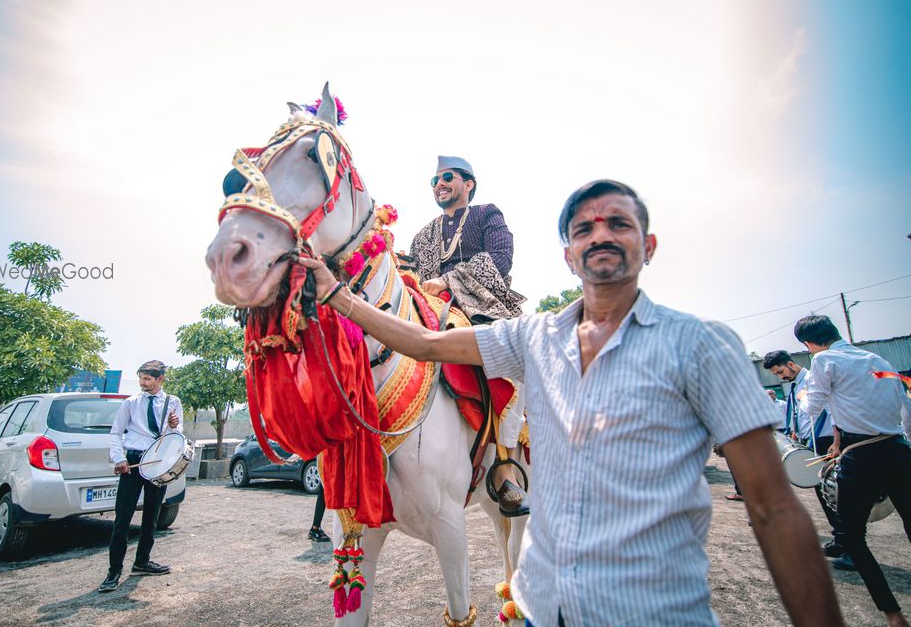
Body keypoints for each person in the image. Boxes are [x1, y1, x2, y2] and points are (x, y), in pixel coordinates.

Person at [299, 179, 842, 626]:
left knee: (498, 389)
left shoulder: (703, 345)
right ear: (568, 254)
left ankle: (504, 461)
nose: (600, 235)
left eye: (619, 224)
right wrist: (339, 293)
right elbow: (420, 344)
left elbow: (773, 508)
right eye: (585, 228)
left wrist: (451, 281)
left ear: (648, 246)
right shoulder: (535, 338)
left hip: (652, 613)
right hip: (543, 605)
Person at [407, 155, 528, 517]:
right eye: (434, 180)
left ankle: (506, 463)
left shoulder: (487, 215)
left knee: (513, 360)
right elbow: (410, 270)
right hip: (429, 310)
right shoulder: (423, 235)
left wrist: (448, 280)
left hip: (481, 308)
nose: (439, 183)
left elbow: (501, 259)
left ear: (468, 184)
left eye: (447, 177)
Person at [796, 315, 911, 627]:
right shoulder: (877, 358)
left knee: (852, 538)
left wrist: (805, 396)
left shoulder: (823, 361)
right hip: (899, 449)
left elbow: (813, 409)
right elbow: (906, 411)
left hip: (861, 457)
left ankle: (893, 614)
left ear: (808, 344)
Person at [98, 360, 183, 593]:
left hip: (158, 464)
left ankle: (142, 562)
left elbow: (176, 437)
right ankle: (113, 571)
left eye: (147, 379)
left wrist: (174, 426)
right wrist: (119, 459)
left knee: (152, 516)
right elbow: (116, 432)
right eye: (141, 379)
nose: (143, 383)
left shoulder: (172, 402)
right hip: (134, 462)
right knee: (122, 518)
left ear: (160, 379)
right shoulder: (131, 403)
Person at [762, 350, 849, 565]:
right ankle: (840, 540)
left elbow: (834, 411)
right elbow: (801, 413)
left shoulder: (812, 380)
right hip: (810, 440)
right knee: (822, 493)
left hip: (826, 442)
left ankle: (850, 547)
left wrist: (837, 443)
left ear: (791, 364)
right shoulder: (793, 386)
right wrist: (795, 431)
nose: (779, 377)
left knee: (835, 494)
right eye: (776, 374)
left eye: (780, 371)